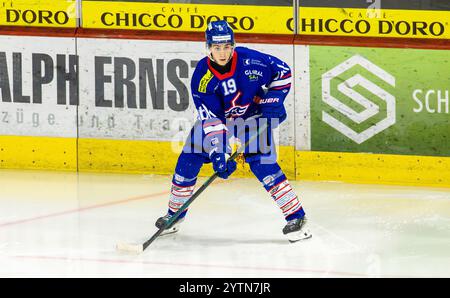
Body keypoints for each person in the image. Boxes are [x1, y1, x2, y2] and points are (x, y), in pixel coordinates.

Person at [155, 20, 311, 243]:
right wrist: (219, 153)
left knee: (263, 164)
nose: (222, 52)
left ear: (233, 45)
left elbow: (283, 72)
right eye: (217, 47)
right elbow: (211, 119)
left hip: (253, 116)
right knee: (188, 158)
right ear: (208, 47)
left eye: (227, 46)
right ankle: (175, 215)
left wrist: (272, 102)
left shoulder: (252, 61)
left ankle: (297, 218)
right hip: (220, 121)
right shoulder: (202, 77)